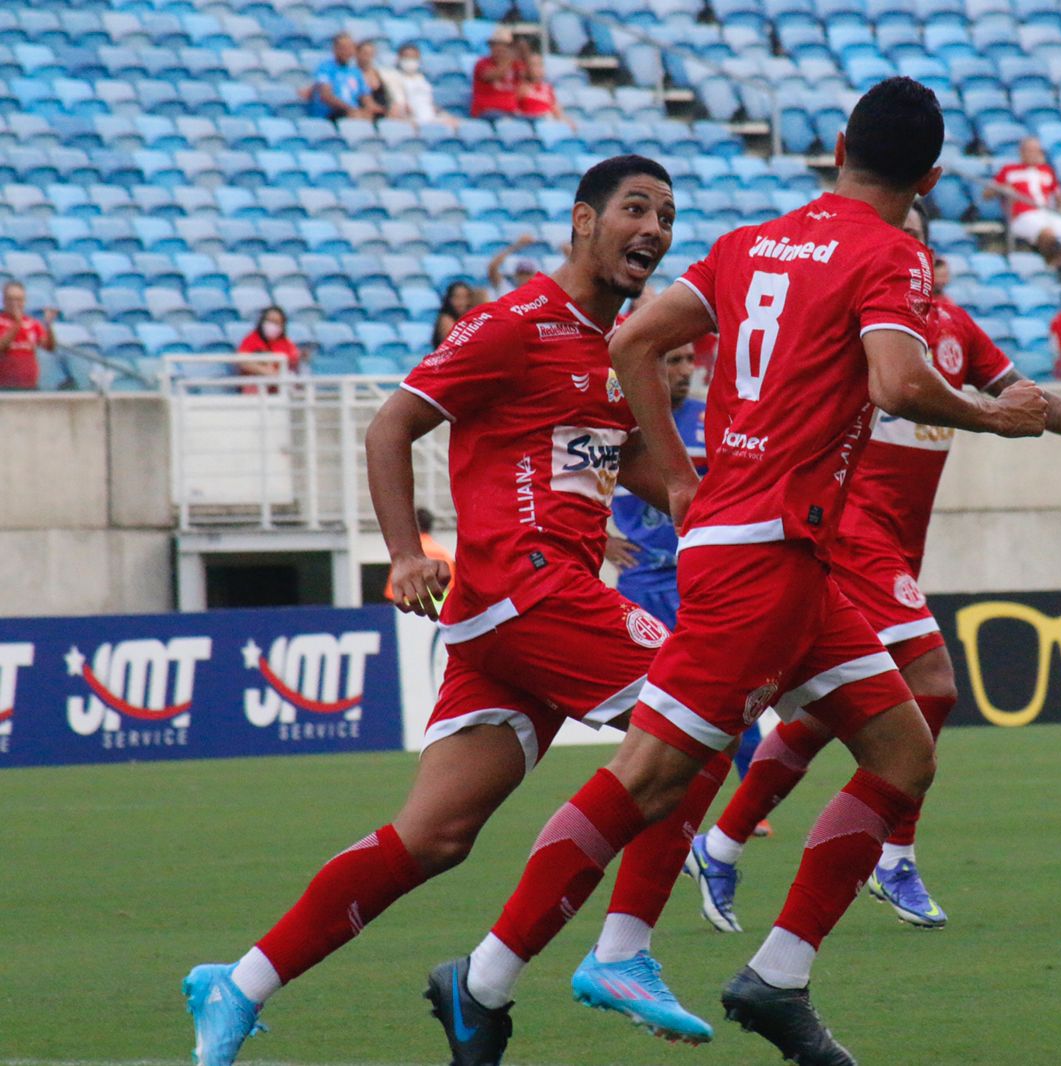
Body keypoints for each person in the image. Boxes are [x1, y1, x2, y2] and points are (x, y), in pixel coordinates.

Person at [428, 77, 1048, 1066]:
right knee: (650, 773)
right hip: (762, 556)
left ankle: (777, 978)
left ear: (838, 142)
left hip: (789, 556)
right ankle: (485, 978)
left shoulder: (753, 240)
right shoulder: (891, 252)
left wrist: (675, 478)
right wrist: (993, 415)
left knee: (902, 751)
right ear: (930, 176)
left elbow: (633, 339)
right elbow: (895, 380)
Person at [181, 156, 731, 1065]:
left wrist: (732, 488)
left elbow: (629, 466)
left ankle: (237, 984)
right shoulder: (516, 322)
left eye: (669, 215)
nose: (656, 229)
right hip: (524, 588)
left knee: (433, 837)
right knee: (696, 718)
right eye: (636, 208)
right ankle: (617, 952)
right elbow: (390, 423)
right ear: (582, 222)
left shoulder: (619, 343)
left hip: (523, 610)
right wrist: (406, 552)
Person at [689, 200, 1061, 934]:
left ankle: (718, 845)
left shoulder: (956, 329)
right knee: (933, 684)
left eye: (918, 246)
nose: (908, 257)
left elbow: (1022, 398)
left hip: (899, 545)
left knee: (827, 712)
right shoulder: (849, 310)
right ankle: (893, 854)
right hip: (852, 531)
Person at [604, 342, 771, 826]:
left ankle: (747, 809)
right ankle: (657, 801)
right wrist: (599, 541)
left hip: (705, 579)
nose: (682, 371)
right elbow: (579, 477)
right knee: (651, 700)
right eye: (668, 360)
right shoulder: (626, 423)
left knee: (734, 693)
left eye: (685, 361)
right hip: (641, 582)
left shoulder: (711, 419)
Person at [984, 137, 1061, 266]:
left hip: (1047, 213)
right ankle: (1046, 264)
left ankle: (1054, 264)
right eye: (1030, 151)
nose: (1034, 154)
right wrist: (1002, 188)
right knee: (1047, 234)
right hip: (1023, 214)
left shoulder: (1047, 171)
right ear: (1022, 152)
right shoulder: (1009, 170)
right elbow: (987, 194)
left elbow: (1059, 195)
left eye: (1037, 151)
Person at [383, 508, 455, 603]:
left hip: (410, 612)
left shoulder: (405, 557)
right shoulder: (444, 554)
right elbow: (454, 590)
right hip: (441, 611)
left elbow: (393, 593)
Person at [385, 42, 456, 128]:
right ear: (399, 58)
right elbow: (399, 102)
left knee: (454, 123)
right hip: (411, 117)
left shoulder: (421, 78)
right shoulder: (394, 76)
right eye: (407, 57)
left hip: (429, 115)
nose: (410, 61)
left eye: (414, 58)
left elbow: (429, 100)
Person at [0, 280, 56, 391]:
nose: (14, 303)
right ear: (4, 301)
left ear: (24, 301)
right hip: (5, 386)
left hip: (29, 385)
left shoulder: (32, 324)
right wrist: (17, 324)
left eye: (18, 299)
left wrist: (49, 327)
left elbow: (49, 347)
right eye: (11, 299)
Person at [306, 33, 374, 122]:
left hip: (353, 112)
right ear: (335, 49)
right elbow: (326, 96)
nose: (347, 51)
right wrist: (350, 109)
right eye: (343, 48)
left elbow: (366, 98)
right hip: (331, 113)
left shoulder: (355, 72)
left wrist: (369, 111)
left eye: (350, 48)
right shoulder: (326, 68)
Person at [235, 305, 301, 384]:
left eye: (277, 323)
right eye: (270, 321)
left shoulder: (285, 342)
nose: (273, 326)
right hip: (257, 385)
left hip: (281, 385)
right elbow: (242, 360)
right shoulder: (252, 339)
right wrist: (267, 372)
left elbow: (293, 359)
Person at [516, 46, 576, 129]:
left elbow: (557, 110)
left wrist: (568, 122)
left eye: (540, 65)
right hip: (532, 123)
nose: (538, 69)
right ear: (526, 68)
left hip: (548, 122)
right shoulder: (522, 87)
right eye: (533, 65)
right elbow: (515, 110)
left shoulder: (547, 88)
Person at [471, 26, 524, 118]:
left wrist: (524, 53)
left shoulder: (516, 65)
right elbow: (492, 75)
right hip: (487, 112)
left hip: (511, 112)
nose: (501, 49)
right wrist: (508, 61)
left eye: (506, 46)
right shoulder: (482, 64)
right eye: (497, 45)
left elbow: (525, 81)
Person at [355, 39, 391, 119]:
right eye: (365, 53)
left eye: (371, 54)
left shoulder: (379, 74)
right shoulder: (353, 74)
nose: (367, 57)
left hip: (382, 111)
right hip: (365, 110)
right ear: (357, 54)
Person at [432, 281, 474, 348]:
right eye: (457, 297)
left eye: (465, 297)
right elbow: (453, 345)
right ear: (449, 299)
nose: (461, 302)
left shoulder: (472, 317)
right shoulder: (445, 319)